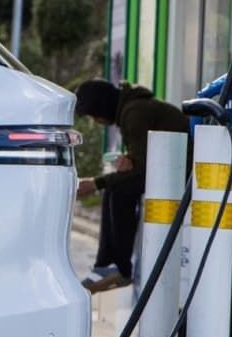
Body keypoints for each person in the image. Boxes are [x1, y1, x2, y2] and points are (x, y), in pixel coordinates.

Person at [75, 79, 189, 293]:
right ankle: (107, 265)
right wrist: (130, 158)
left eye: (93, 115)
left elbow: (143, 169)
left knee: (118, 190)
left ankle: (119, 267)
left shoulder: (134, 114)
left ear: (101, 108)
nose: (96, 121)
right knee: (115, 188)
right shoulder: (133, 108)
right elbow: (143, 157)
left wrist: (96, 183)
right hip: (171, 167)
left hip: (181, 172)